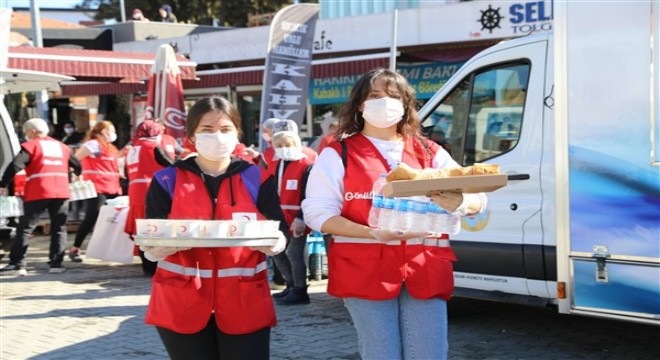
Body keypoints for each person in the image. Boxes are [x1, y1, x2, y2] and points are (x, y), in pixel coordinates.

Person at [300, 68, 488, 359]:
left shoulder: (430, 152)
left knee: (430, 353)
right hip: (365, 270)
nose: (384, 102)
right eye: (375, 95)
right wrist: (371, 232)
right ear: (361, 104)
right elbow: (317, 214)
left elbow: (478, 199)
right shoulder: (339, 154)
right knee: (381, 353)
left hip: (424, 267)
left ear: (405, 105)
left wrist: (460, 203)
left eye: (393, 96)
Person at [140, 96, 288, 359]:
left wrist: (276, 243)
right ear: (192, 136)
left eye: (225, 129)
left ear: (237, 134)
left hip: (244, 301)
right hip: (181, 300)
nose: (217, 136)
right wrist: (153, 250)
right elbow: (150, 237)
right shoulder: (166, 180)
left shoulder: (258, 178)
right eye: (207, 130)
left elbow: (281, 230)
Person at [0, 118, 82, 275]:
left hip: (39, 191)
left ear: (32, 132)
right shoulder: (62, 146)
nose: (26, 136)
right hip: (61, 193)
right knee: (59, 228)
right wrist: (77, 175)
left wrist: (2, 184)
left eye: (26, 133)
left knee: (25, 228)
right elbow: (77, 165)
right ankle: (56, 264)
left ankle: (17, 264)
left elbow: (16, 165)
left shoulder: (32, 145)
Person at [123, 120, 174, 276]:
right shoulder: (153, 147)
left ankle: (146, 264)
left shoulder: (132, 149)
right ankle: (153, 265)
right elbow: (169, 165)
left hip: (135, 191)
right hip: (151, 189)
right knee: (153, 228)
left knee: (141, 229)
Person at [269, 130, 315, 305]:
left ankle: (300, 290)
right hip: (278, 216)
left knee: (293, 253)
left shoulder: (306, 165)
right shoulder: (275, 164)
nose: (283, 149)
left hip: (297, 217)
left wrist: (301, 218)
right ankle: (290, 285)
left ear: (296, 144)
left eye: (287, 145)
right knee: (277, 252)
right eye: (279, 146)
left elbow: (308, 193)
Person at [68, 121, 122, 262]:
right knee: (91, 217)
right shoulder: (93, 145)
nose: (113, 133)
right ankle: (75, 248)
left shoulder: (111, 148)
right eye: (111, 130)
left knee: (113, 219)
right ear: (103, 131)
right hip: (97, 188)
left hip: (112, 187)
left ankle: (107, 248)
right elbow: (74, 159)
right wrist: (77, 173)